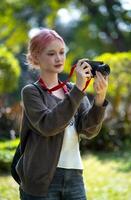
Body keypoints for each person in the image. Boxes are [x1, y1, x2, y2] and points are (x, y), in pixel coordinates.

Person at [17, 28, 108, 200]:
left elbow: (89, 130)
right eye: (51, 53)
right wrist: (79, 90)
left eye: (61, 52)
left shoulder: (73, 90)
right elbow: (48, 125)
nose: (59, 58)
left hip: (74, 176)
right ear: (36, 57)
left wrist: (100, 98)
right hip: (41, 179)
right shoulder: (31, 92)